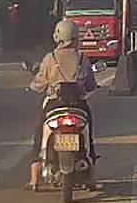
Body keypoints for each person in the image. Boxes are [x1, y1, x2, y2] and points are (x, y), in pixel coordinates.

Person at [24, 19, 99, 191]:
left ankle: (34, 179)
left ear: (57, 36)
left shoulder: (50, 58)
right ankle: (92, 176)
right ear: (76, 37)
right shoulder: (82, 58)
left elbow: (40, 82)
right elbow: (91, 84)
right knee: (88, 137)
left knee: (39, 137)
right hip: (78, 105)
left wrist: (32, 87)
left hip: (54, 105)